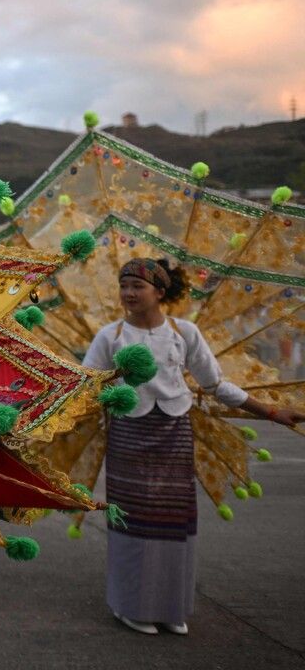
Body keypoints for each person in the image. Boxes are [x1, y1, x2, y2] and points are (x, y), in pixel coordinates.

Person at [82, 257, 303, 636]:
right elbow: (86, 384)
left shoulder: (183, 332)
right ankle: (131, 606)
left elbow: (216, 385)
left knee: (172, 520)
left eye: (137, 286)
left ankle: (170, 607)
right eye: (124, 286)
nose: (129, 293)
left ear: (159, 291)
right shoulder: (110, 336)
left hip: (174, 433)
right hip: (129, 436)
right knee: (133, 519)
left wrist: (270, 411)